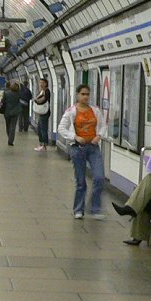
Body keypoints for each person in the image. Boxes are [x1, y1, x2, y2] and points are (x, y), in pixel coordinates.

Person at [58, 84, 108, 219]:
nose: (85, 97)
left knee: (99, 177)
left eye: (87, 94)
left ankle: (95, 208)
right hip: (78, 148)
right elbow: (61, 128)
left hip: (93, 147)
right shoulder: (71, 111)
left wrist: (99, 136)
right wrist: (74, 137)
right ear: (77, 95)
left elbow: (103, 125)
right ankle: (78, 209)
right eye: (83, 94)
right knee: (81, 181)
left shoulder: (95, 110)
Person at [32, 78, 52, 152]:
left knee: (43, 129)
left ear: (46, 83)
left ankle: (44, 145)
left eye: (42, 82)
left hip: (45, 112)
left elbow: (44, 100)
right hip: (41, 112)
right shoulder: (42, 91)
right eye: (40, 82)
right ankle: (41, 144)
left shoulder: (46, 91)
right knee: (39, 128)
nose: (41, 84)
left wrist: (37, 102)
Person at [2, 81, 23, 146]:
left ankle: (9, 137)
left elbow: (3, 101)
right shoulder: (19, 94)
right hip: (15, 112)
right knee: (13, 127)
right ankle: (10, 140)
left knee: (8, 126)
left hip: (7, 112)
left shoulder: (6, 93)